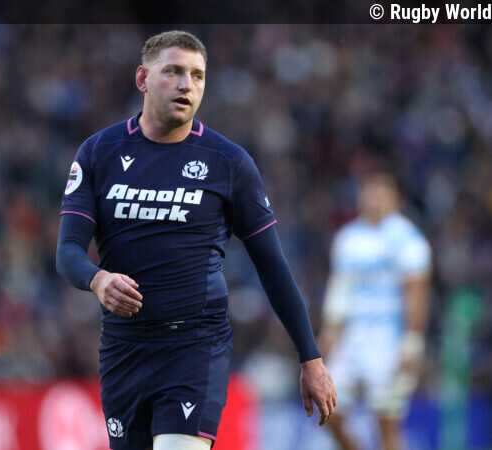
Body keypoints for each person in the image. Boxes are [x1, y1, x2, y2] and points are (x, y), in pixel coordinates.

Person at [56, 30, 336, 450]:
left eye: (197, 75)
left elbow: (272, 266)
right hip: (123, 348)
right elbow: (68, 251)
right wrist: (97, 280)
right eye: (173, 71)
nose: (187, 85)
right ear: (142, 79)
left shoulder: (229, 162)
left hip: (195, 345)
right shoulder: (99, 152)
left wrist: (310, 356)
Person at [319, 172, 432, 450]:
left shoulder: (406, 237)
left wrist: (412, 342)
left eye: (380, 194)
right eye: (369, 193)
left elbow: (417, 291)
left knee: (385, 420)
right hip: (352, 335)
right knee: (328, 410)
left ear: (395, 198)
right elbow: (340, 290)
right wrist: (329, 332)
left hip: (388, 336)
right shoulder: (348, 237)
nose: (374, 200)